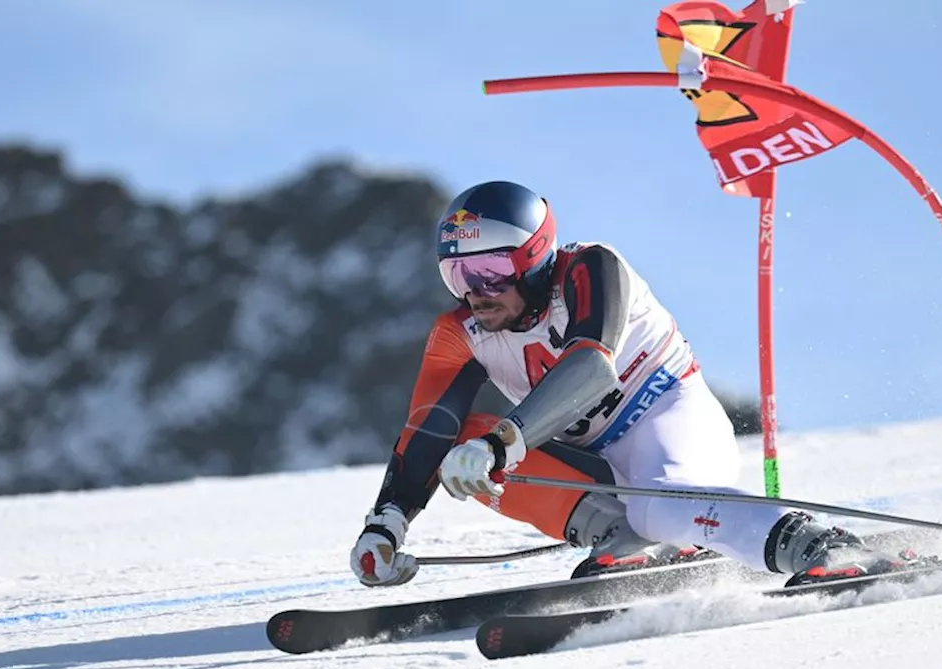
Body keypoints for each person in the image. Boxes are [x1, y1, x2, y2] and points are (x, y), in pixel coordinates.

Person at [348, 180, 902, 588]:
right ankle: (622, 538)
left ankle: (819, 546)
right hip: (593, 459)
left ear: (536, 257)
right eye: (458, 274)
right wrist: (388, 522)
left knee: (660, 505)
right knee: (464, 440)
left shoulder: (591, 269)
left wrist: (500, 445)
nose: (476, 292)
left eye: (490, 271)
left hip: (666, 415)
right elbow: (429, 426)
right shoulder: (461, 331)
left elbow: (591, 366)